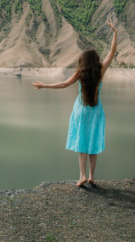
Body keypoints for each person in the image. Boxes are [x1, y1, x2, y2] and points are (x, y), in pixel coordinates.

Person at [31, 19, 118, 187]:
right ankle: (92, 176)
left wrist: (44, 86)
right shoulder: (101, 70)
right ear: (96, 59)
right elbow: (112, 53)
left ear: (83, 60)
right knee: (93, 144)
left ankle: (82, 176)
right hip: (96, 110)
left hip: (81, 110)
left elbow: (63, 84)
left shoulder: (80, 72)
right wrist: (115, 33)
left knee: (81, 143)